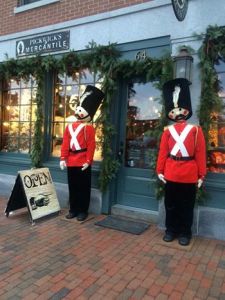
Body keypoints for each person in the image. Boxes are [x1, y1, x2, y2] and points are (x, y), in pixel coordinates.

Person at [156, 78, 206, 246]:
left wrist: (201, 174)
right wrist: (159, 171)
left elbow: (200, 153)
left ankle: (185, 232)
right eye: (173, 110)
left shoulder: (196, 130)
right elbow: (163, 152)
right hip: (170, 172)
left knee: (186, 206)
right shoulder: (167, 131)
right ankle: (171, 230)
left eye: (180, 109)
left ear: (186, 110)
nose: (177, 113)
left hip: (189, 173)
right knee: (170, 205)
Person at [60, 85, 104, 221]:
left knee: (83, 188)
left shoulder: (89, 129)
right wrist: (63, 157)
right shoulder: (69, 127)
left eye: (82, 110)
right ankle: (73, 209)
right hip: (71, 161)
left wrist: (88, 161)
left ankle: (82, 211)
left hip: (83, 161)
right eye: (78, 109)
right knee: (72, 187)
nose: (79, 112)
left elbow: (91, 145)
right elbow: (65, 143)